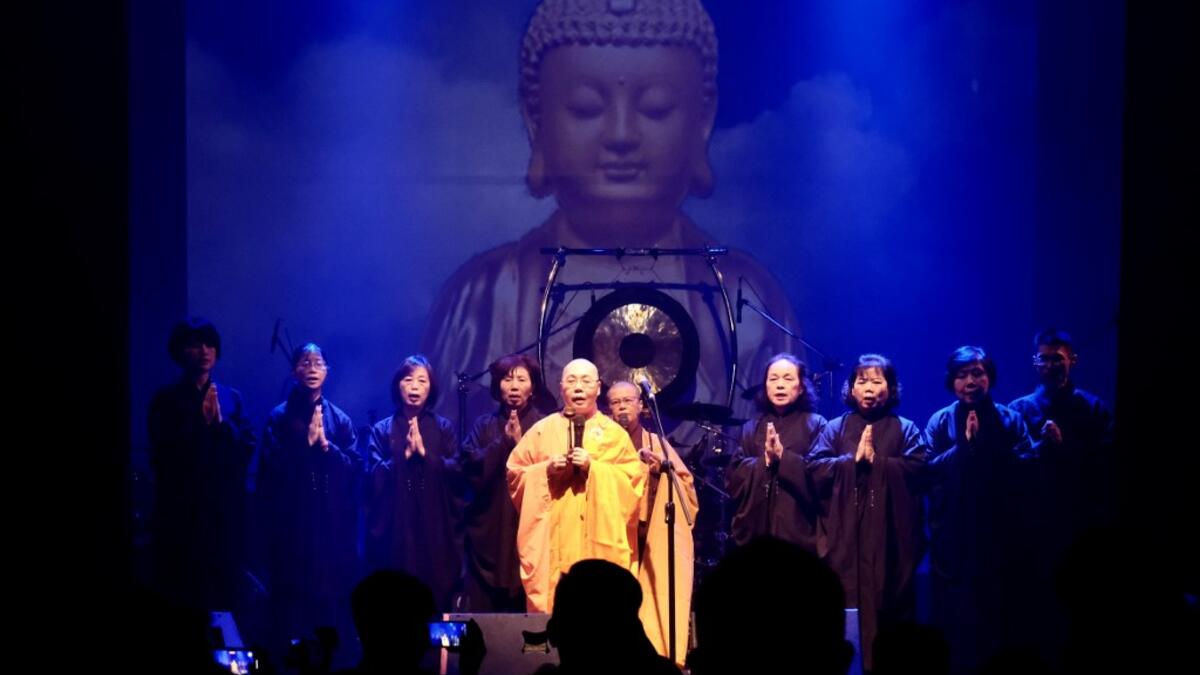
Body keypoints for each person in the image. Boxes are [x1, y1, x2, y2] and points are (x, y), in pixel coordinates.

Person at [420, 0, 804, 426]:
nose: (621, 135)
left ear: (702, 119)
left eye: (656, 108)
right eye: (586, 108)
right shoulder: (484, 296)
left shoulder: (747, 295)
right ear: (535, 118)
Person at [809, 354, 929, 672]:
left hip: (890, 541)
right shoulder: (835, 428)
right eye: (861, 381)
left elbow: (919, 469)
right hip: (845, 538)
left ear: (890, 388)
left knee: (891, 615)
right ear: (850, 389)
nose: (869, 388)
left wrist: (879, 464)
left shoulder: (906, 429)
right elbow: (814, 470)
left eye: (877, 381)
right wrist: (851, 463)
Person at [924, 346, 1036, 671]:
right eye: (962, 375)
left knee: (997, 619)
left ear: (989, 377)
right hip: (952, 536)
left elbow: (1027, 464)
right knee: (953, 619)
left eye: (977, 373)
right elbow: (927, 469)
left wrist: (989, 450)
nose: (970, 381)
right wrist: (964, 448)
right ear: (952, 381)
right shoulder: (940, 420)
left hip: (999, 532)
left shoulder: (1010, 418)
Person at [506, 358, 644, 612]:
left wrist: (595, 469)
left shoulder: (614, 434)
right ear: (561, 388)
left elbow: (633, 483)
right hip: (552, 541)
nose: (578, 387)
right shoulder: (541, 431)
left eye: (585, 381)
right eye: (571, 381)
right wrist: (545, 470)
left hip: (597, 543)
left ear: (598, 388)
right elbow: (515, 474)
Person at [257, 343, 361, 651]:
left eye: (318, 362)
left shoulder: (340, 419)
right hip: (292, 525)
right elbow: (269, 470)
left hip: (330, 526)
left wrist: (327, 449)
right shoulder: (278, 417)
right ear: (294, 371)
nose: (312, 368)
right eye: (305, 362)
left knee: (328, 602)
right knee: (290, 603)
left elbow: (355, 469)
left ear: (328, 371)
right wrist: (305, 447)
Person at [148, 317, 255, 610]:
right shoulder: (166, 399)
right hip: (182, 514)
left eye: (210, 344)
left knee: (224, 596)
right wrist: (201, 425)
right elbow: (164, 455)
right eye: (196, 345)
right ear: (181, 351)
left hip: (222, 514)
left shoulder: (232, 397)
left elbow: (246, 448)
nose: (205, 351)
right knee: (184, 595)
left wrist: (219, 426)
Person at [607, 380, 698, 663]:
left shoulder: (657, 443)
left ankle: (657, 656)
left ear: (642, 406)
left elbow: (686, 487)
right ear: (608, 410)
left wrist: (661, 468)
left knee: (652, 598)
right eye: (615, 402)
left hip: (649, 532)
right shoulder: (603, 442)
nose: (622, 406)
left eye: (628, 401)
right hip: (614, 532)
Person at [365, 355, 462, 610]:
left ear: (431, 388)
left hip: (434, 525)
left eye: (422, 380)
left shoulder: (443, 428)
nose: (415, 386)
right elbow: (372, 475)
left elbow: (458, 471)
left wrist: (426, 457)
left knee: (433, 599)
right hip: (396, 525)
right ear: (399, 386)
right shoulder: (382, 429)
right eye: (408, 380)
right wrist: (402, 459)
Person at [460, 354, 553, 611]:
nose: (513, 386)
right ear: (497, 386)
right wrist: (503, 444)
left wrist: (521, 448)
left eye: (522, 379)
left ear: (533, 387)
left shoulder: (544, 425)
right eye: (506, 379)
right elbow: (469, 467)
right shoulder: (484, 425)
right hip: (491, 523)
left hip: (528, 520)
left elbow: (553, 471)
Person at [725, 353, 827, 552]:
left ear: (802, 387)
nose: (780, 385)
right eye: (773, 379)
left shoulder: (817, 425)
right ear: (765, 387)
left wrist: (784, 458)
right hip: (755, 532)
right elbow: (733, 477)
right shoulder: (750, 428)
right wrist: (763, 461)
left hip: (798, 533)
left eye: (788, 379)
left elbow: (822, 477)